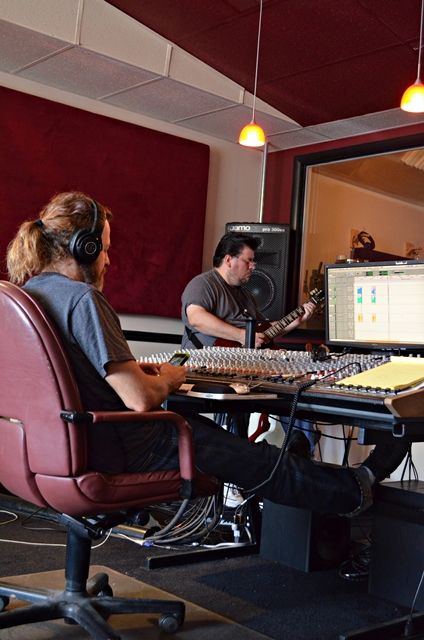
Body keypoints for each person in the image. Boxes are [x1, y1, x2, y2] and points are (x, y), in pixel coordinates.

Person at [6, 191, 409, 520]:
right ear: (85, 247)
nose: (108, 259)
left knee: (216, 436)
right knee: (256, 458)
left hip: (60, 448)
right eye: (105, 249)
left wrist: (138, 372)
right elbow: (140, 399)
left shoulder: (27, 298)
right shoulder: (83, 299)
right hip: (128, 446)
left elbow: (74, 378)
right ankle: (353, 490)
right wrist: (170, 377)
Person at [181, 232, 320, 451]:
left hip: (247, 366)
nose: (253, 266)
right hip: (212, 366)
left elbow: (262, 334)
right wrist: (241, 336)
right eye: (249, 260)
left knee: (297, 383)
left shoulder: (245, 295)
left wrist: (296, 321)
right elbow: (197, 318)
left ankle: (300, 447)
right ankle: (243, 453)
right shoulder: (203, 283)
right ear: (229, 260)